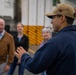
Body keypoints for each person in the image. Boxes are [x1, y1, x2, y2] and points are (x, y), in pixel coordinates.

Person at [15, 4, 76, 75]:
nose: (51, 21)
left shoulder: (55, 42)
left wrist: (23, 55)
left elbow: (35, 66)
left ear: (62, 18)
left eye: (53, 17)